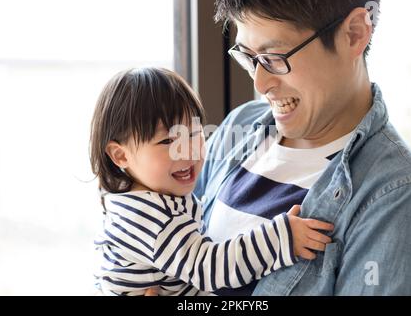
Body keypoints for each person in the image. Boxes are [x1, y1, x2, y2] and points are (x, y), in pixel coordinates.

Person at [194, 0, 411, 295]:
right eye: (248, 57)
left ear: (354, 33)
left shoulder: (400, 196)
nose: (260, 84)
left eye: (274, 57)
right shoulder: (240, 127)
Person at [89, 67, 334, 296]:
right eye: (167, 141)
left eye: (194, 133)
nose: (188, 150)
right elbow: (208, 267)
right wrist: (282, 237)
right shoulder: (149, 216)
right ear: (121, 155)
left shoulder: (150, 196)